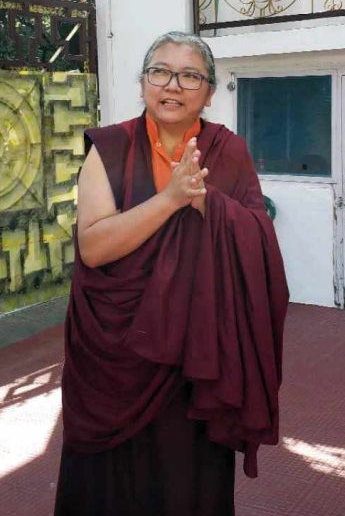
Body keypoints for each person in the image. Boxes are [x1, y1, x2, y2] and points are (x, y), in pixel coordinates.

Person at [54, 31, 288, 516]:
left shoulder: (228, 151)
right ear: (142, 84)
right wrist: (171, 200)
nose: (173, 86)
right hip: (116, 354)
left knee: (188, 476)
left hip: (198, 350)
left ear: (209, 91)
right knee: (110, 485)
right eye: (160, 72)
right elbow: (94, 248)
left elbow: (260, 244)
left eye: (189, 76)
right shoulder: (110, 148)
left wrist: (209, 204)